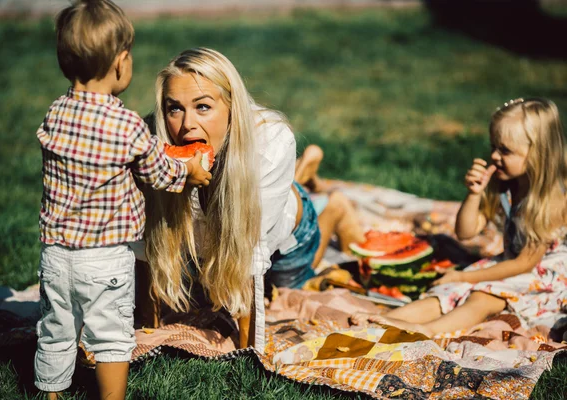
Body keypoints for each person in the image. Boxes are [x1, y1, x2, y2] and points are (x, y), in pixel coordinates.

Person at [34, 1, 211, 399]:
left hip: (55, 255)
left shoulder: (55, 114)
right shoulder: (126, 124)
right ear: (120, 63)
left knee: (56, 329)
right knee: (110, 335)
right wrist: (192, 173)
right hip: (105, 256)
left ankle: (50, 394)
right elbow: (160, 174)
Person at [137, 47, 345, 352]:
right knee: (202, 296)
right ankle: (303, 172)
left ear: (232, 107)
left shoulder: (271, 140)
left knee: (289, 287)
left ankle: (335, 209)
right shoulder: (150, 144)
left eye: (203, 107)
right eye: (174, 109)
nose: (186, 125)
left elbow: (253, 251)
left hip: (286, 232)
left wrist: (249, 352)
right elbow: (145, 242)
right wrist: (147, 333)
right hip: (209, 243)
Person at [352, 98, 567, 336]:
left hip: (542, 277)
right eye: (493, 146)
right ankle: (383, 319)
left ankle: (425, 330)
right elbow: (466, 232)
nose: (494, 156)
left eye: (505, 150)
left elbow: (525, 263)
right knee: (449, 288)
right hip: (510, 262)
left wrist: (467, 275)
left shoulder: (552, 200)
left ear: (538, 153)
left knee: (482, 296)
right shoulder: (505, 184)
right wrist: (474, 194)